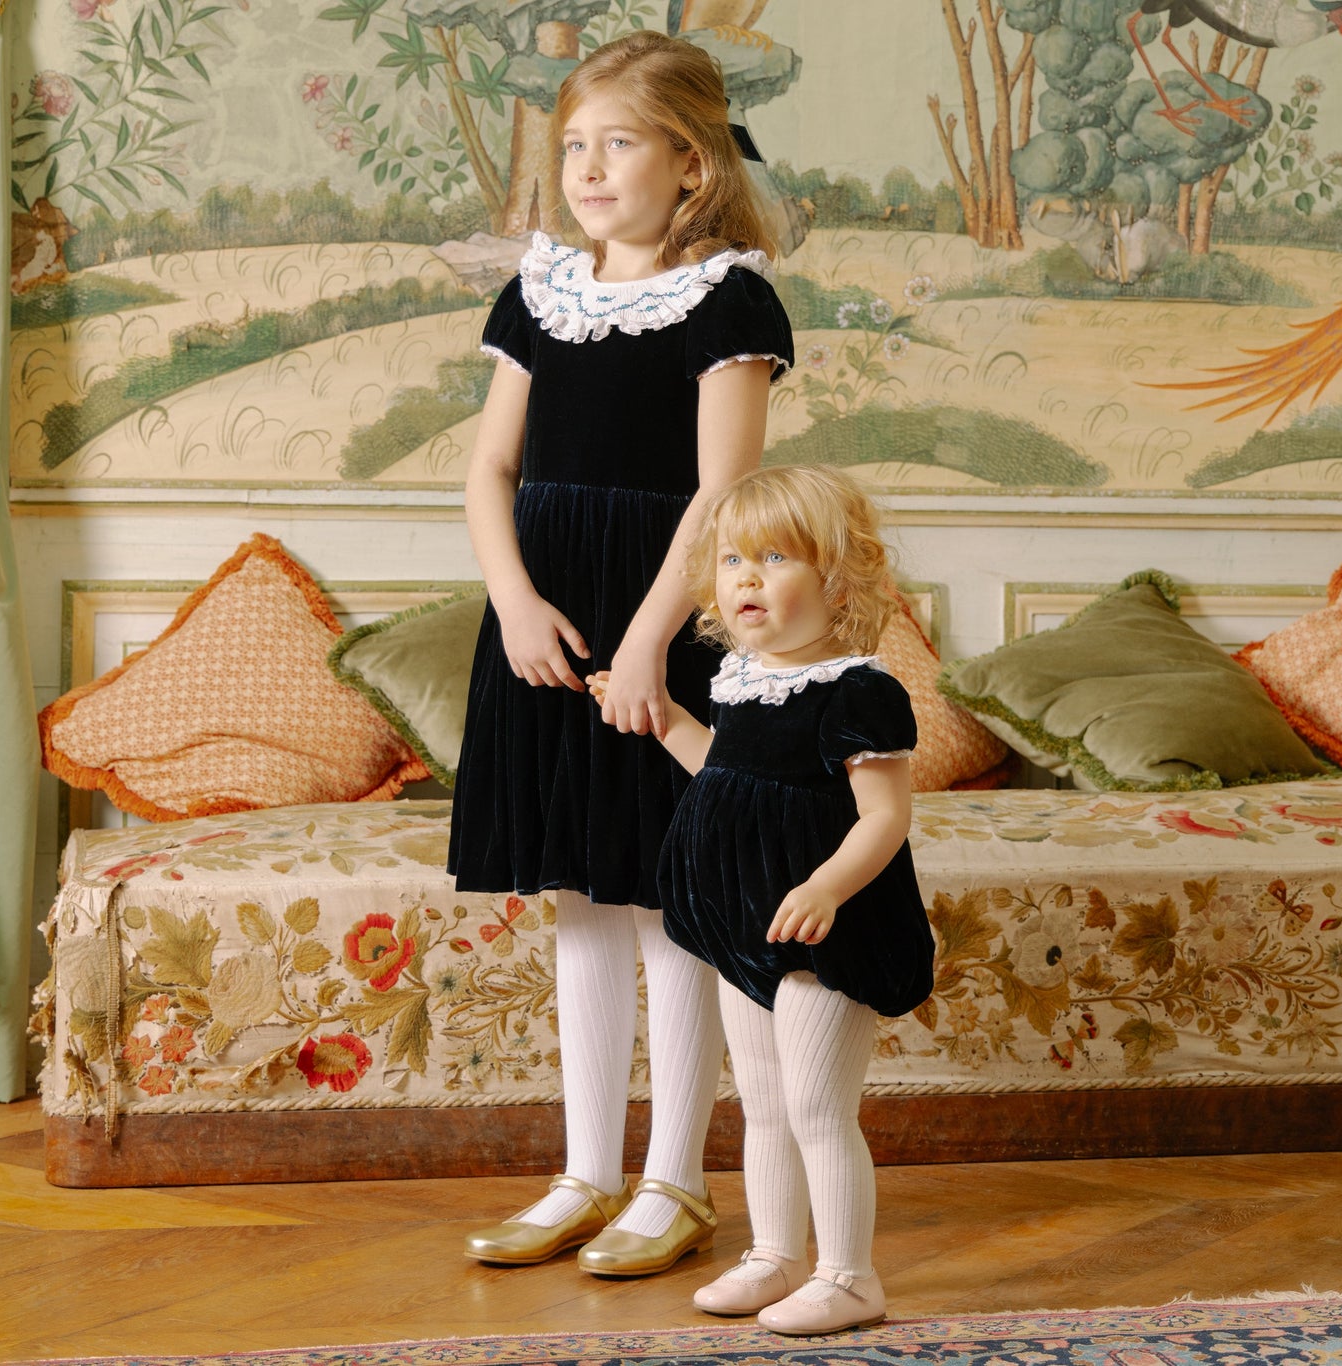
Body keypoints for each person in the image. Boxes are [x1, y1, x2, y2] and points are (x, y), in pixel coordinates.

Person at [447, 29, 794, 1278]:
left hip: (668, 621)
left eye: (620, 143)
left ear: (690, 165)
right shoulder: (536, 292)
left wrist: (650, 640)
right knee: (582, 894)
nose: (589, 168)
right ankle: (586, 1169)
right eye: (574, 145)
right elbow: (490, 467)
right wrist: (516, 603)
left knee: (667, 898)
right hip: (546, 619)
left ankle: (674, 1183)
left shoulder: (730, 301)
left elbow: (722, 495)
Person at [589, 465, 936, 1335]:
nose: (746, 575)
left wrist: (826, 886)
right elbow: (729, 776)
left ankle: (850, 1276)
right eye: (735, 557)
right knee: (767, 1103)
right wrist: (666, 718)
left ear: (839, 578)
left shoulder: (860, 691)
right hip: (742, 923)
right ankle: (776, 1255)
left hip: (827, 930)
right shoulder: (742, 678)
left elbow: (885, 817)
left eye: (775, 556)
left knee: (819, 1104)